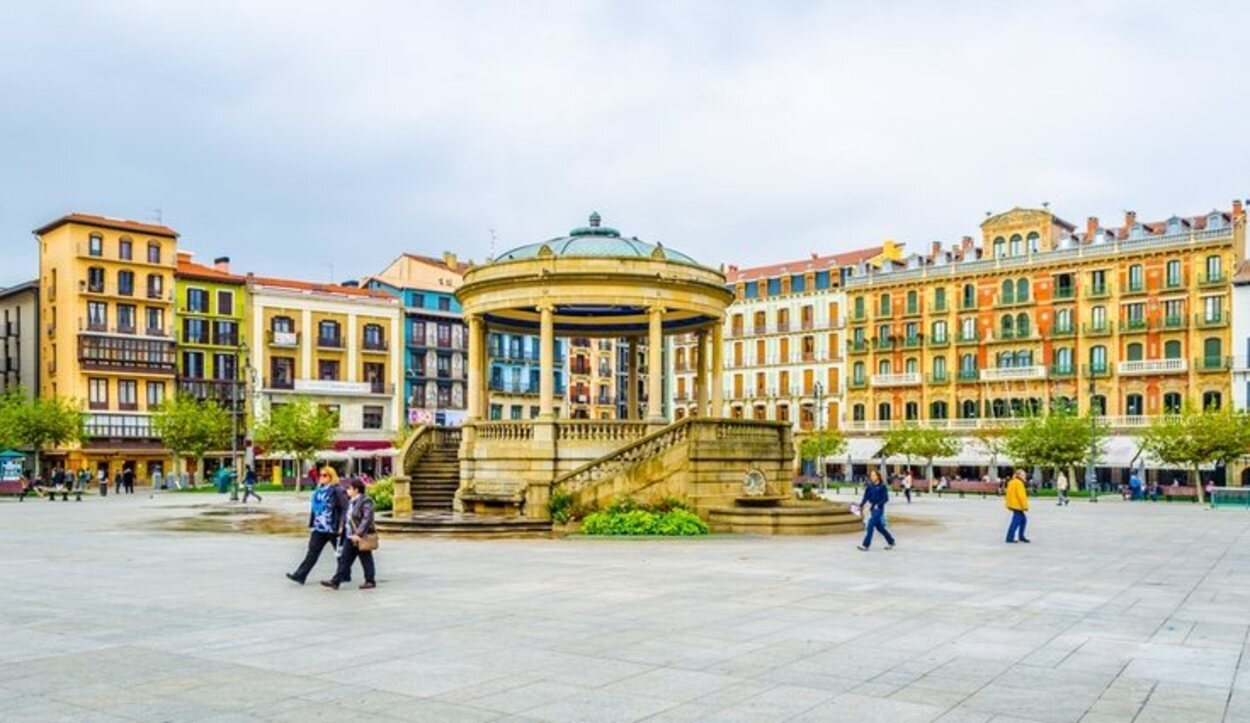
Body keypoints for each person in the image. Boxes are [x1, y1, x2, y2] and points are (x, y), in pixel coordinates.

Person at [287, 466, 348, 585]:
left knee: (340, 553)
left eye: (325, 475)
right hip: (319, 527)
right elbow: (315, 509)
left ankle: (344, 575)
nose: (321, 477)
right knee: (312, 552)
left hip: (333, 527)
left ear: (331, 477)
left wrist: (342, 524)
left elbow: (345, 507)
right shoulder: (318, 490)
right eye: (320, 475)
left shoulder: (337, 490)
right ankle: (300, 575)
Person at [322, 479, 378, 590]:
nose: (347, 490)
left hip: (360, 536)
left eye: (349, 488)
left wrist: (359, 534)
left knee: (366, 558)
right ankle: (335, 581)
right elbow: (348, 517)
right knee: (344, 559)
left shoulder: (366, 501)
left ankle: (370, 581)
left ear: (356, 490)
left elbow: (367, 519)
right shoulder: (351, 501)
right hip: (349, 536)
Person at [857, 470, 895, 552]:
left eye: (874, 475)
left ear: (878, 476)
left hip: (879, 509)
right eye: (871, 475)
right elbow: (866, 497)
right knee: (880, 528)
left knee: (870, 523)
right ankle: (891, 541)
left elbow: (886, 498)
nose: (872, 477)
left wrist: (879, 504)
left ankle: (865, 545)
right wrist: (861, 505)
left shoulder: (882, 486)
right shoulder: (870, 486)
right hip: (872, 509)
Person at [1005, 469, 1031, 544]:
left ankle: (1020, 536)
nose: (1025, 476)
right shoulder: (1019, 483)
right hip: (1018, 505)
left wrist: (1008, 504)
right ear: (1019, 475)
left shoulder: (1012, 482)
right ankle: (1010, 538)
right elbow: (1021, 496)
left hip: (1013, 504)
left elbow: (1008, 494)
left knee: (1023, 520)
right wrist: (1025, 506)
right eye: (1023, 475)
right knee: (1016, 521)